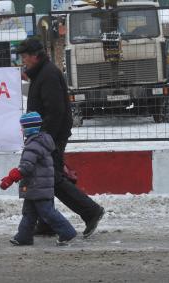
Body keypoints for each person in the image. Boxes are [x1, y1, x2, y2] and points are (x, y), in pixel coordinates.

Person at [16, 38, 105, 238]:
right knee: (46, 178)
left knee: (53, 179)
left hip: (50, 136)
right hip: (47, 136)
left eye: (25, 57)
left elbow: (55, 111)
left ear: (35, 56)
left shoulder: (47, 75)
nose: (23, 61)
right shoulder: (42, 73)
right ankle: (47, 223)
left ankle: (91, 211)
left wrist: (44, 139)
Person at [0, 112, 77, 246]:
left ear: (29, 129)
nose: (21, 129)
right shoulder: (40, 142)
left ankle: (67, 232)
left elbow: (26, 167)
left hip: (37, 185)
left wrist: (10, 178)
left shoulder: (33, 145)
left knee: (47, 212)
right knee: (29, 213)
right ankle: (23, 237)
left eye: (23, 127)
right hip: (35, 186)